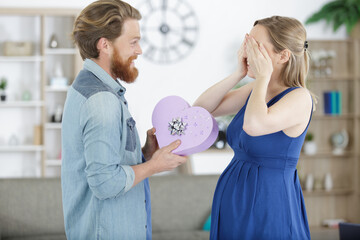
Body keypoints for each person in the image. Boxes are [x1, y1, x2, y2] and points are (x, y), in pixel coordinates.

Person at [61, 1, 187, 239]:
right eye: (133, 42)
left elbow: (106, 163)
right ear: (104, 45)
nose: (139, 50)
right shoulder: (101, 101)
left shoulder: (87, 86)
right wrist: (155, 165)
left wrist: (146, 153)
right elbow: (105, 183)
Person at [193, 16, 314, 239]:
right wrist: (240, 72)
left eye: (256, 46)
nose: (248, 51)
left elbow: (254, 125)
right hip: (234, 198)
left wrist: (262, 77)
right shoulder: (257, 91)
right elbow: (201, 109)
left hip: (270, 201)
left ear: (283, 56)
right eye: (247, 43)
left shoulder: (300, 98)